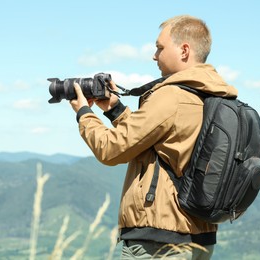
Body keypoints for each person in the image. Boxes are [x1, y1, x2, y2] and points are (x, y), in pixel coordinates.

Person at [69, 15, 238, 259]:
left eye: (159, 48)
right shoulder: (210, 94)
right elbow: (156, 143)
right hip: (197, 237)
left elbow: (110, 149)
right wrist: (115, 109)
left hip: (159, 242)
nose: (154, 55)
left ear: (184, 50)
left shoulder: (172, 96)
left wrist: (84, 113)